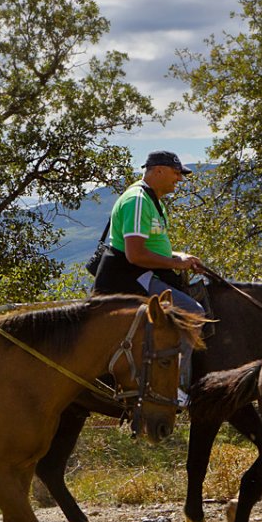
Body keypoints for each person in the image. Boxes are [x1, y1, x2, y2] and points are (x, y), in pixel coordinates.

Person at [92, 149, 207, 394]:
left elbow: (152, 246)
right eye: (176, 173)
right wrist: (176, 264)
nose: (180, 179)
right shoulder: (137, 200)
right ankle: (174, 387)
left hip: (143, 275)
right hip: (130, 278)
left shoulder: (152, 200)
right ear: (158, 170)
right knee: (193, 313)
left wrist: (180, 257)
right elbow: (136, 255)